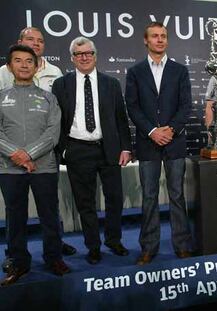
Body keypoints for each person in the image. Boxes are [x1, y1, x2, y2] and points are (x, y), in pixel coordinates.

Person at [0, 27, 76, 274]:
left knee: (49, 215)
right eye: (18, 61)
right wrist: (16, 155)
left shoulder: (48, 98)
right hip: (9, 168)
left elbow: (53, 133)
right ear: (10, 67)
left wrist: (29, 154)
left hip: (44, 166)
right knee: (15, 217)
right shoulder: (0, 96)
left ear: (36, 67)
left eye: (29, 61)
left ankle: (53, 257)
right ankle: (17, 260)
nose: (24, 65)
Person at [52, 37, 132, 264]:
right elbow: (56, 122)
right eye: (79, 54)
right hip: (77, 150)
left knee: (115, 199)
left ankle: (113, 241)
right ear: (72, 58)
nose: (84, 57)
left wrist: (126, 148)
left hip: (109, 149)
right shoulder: (61, 84)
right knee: (85, 203)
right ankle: (93, 246)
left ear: (95, 55)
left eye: (88, 53)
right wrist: (63, 150)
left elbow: (121, 120)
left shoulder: (111, 83)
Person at [125, 22, 193, 265]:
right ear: (146, 40)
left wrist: (170, 130)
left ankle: (182, 245)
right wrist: (153, 131)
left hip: (174, 142)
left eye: (163, 36)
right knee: (149, 197)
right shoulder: (135, 72)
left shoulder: (180, 70)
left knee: (177, 195)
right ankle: (148, 248)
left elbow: (186, 106)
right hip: (147, 143)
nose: (160, 40)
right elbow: (132, 107)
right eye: (155, 36)